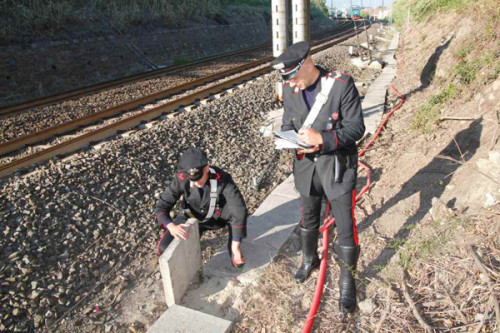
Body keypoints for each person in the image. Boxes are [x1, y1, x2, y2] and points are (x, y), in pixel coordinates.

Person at [271, 41, 365, 314]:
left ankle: (348, 280)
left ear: (308, 65)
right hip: (305, 167)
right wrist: (287, 137)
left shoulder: (341, 84)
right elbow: (289, 122)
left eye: (295, 77)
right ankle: (308, 259)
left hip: (336, 166)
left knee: (345, 224)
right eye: (288, 80)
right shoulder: (291, 90)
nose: (293, 85)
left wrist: (323, 139)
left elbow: (356, 128)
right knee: (308, 217)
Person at [154, 147, 247, 268]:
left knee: (235, 214)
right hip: (191, 216)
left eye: (198, 179)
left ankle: (232, 247)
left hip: (216, 217)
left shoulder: (223, 179)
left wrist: (236, 246)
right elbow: (161, 206)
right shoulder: (180, 179)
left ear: (207, 168)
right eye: (191, 180)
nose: (194, 183)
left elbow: (239, 210)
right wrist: (171, 226)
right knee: (163, 248)